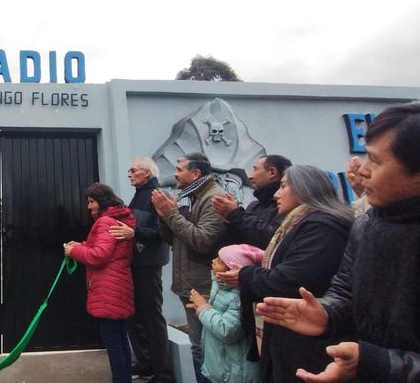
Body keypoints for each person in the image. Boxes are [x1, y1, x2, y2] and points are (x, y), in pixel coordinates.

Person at [256, 102, 420, 382]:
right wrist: (326, 314)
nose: (363, 171)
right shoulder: (366, 224)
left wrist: (378, 362)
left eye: (376, 161)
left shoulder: (324, 224)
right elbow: (345, 291)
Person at [218, 165, 354, 382]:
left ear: (304, 189)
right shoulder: (297, 224)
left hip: (306, 344)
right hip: (288, 336)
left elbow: (291, 280)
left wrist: (246, 275)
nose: (275, 194)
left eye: (283, 186)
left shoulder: (323, 227)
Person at [151, 152, 226, 383]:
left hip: (205, 288)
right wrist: (164, 217)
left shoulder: (213, 199)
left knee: (208, 351)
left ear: (195, 173)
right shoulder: (186, 197)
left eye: (179, 169)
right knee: (198, 348)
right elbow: (173, 238)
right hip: (189, 286)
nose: (174, 173)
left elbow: (202, 241)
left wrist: (170, 214)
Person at [64, 182, 136, 383]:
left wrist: (74, 251)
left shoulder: (105, 222)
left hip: (108, 288)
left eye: (91, 202)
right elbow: (107, 248)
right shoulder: (115, 219)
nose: (88, 206)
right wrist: (82, 244)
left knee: (113, 342)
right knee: (120, 338)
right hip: (118, 285)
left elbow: (99, 255)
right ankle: (125, 379)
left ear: (102, 201)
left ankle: (121, 380)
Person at [109, 157, 172, 382]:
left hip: (149, 264)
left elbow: (163, 232)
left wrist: (133, 233)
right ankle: (145, 364)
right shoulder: (140, 194)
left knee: (151, 317)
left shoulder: (157, 195)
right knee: (134, 316)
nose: (129, 174)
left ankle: (163, 373)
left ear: (147, 173)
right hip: (136, 263)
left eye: (133, 170)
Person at [186, 244, 263, 383]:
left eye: (220, 261)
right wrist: (203, 306)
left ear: (232, 270)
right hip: (218, 367)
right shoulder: (221, 287)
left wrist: (204, 308)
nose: (213, 260)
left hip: (233, 372)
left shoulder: (239, 298)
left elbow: (228, 331)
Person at [211, 155, 292, 249]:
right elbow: (236, 242)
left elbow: (273, 240)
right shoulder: (254, 205)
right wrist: (229, 221)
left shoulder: (288, 206)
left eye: (255, 170)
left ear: (272, 172)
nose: (250, 176)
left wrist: (235, 214)